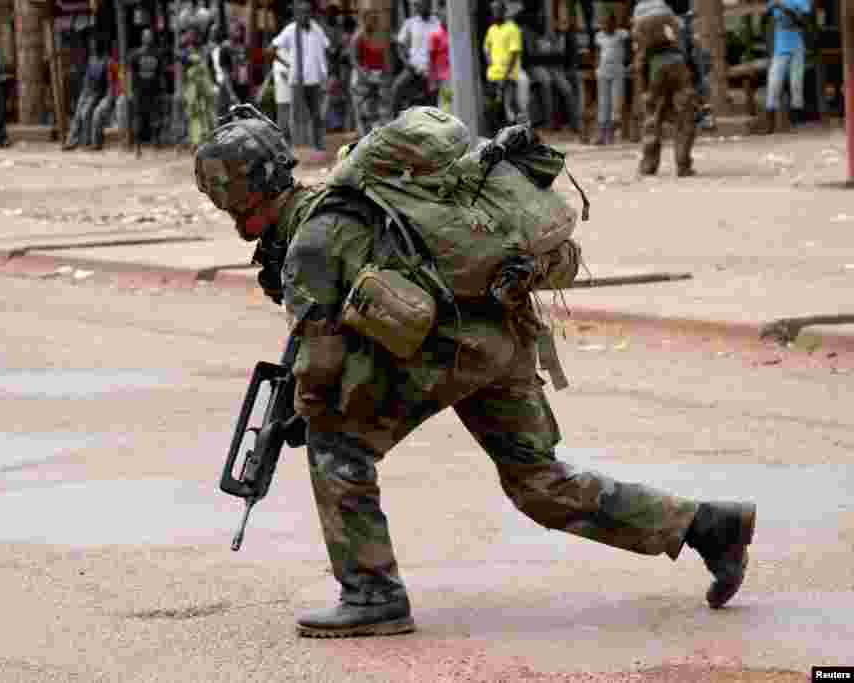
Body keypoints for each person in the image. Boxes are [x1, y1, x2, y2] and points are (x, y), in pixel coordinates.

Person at [193, 105, 757, 638]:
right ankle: (707, 526)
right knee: (538, 480)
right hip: (502, 335)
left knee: (337, 447)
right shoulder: (353, 201)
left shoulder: (311, 243)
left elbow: (320, 364)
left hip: (451, 351)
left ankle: (371, 594)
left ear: (239, 199)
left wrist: (303, 412)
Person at [631, 0, 696, 176]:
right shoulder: (669, 14)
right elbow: (688, 48)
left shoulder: (639, 14)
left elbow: (640, 59)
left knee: (652, 116)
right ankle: (683, 164)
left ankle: (648, 165)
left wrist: (643, 87)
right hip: (678, 65)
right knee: (685, 115)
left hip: (655, 69)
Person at [271, 1, 331, 153]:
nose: (305, 15)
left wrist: (325, 72)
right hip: (297, 79)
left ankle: (318, 145)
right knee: (295, 116)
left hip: (315, 79)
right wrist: (288, 64)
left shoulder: (316, 28)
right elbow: (273, 48)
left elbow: (326, 47)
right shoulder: (290, 30)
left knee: (317, 114)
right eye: (301, 12)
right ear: (296, 15)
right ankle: (292, 148)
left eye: (307, 12)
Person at [761, 0, 811, 132]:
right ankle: (769, 127)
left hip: (797, 47)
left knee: (796, 84)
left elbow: (803, 23)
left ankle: (795, 125)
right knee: (774, 84)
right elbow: (764, 20)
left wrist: (784, 7)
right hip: (779, 48)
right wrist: (768, 11)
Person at [483, 1, 530, 130]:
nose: (495, 13)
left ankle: (516, 134)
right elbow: (486, 47)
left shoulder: (512, 29)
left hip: (508, 76)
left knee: (508, 108)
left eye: (498, 10)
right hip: (493, 75)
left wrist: (506, 75)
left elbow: (514, 54)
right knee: (493, 107)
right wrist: (490, 63)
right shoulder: (492, 29)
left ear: (504, 12)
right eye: (493, 11)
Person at [391, 0, 440, 117]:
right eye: (417, 5)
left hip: (432, 69)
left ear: (429, 5)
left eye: (422, 4)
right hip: (413, 68)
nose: (419, 7)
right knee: (397, 87)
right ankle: (394, 120)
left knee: (434, 101)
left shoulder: (437, 22)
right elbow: (400, 46)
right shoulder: (410, 23)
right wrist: (406, 63)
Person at [64, 38, 110, 151]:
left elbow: (104, 81)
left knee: (86, 113)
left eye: (95, 46)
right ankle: (71, 141)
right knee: (77, 115)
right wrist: (84, 91)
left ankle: (86, 141)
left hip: (96, 92)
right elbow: (87, 76)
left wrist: (99, 94)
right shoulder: (92, 59)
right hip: (87, 90)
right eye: (92, 46)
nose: (93, 48)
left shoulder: (105, 61)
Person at [348, 9, 389, 137]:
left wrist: (383, 75)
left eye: (376, 19)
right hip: (362, 78)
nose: (374, 22)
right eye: (372, 19)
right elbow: (353, 60)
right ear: (365, 20)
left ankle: (373, 140)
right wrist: (364, 76)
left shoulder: (379, 37)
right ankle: (363, 139)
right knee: (362, 113)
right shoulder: (358, 37)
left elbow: (383, 59)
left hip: (376, 77)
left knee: (375, 111)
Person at [129, 28, 166, 157]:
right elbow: (131, 74)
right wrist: (131, 90)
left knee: (155, 117)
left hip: (154, 91)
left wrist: (162, 90)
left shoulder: (157, 54)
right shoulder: (135, 55)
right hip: (139, 91)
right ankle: (138, 147)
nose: (148, 38)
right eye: (146, 36)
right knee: (138, 118)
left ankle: (156, 143)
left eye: (150, 36)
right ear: (142, 38)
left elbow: (161, 73)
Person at [594, 11, 629, 144]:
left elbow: (628, 50)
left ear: (614, 23)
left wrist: (628, 64)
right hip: (603, 71)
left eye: (608, 23)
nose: (605, 25)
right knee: (603, 102)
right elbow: (597, 53)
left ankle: (611, 133)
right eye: (603, 23)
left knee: (616, 102)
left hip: (617, 71)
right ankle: (602, 134)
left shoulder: (621, 34)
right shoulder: (599, 36)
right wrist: (596, 68)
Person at [215, 22, 251, 115]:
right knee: (227, 117)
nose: (238, 32)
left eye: (240, 30)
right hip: (229, 88)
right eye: (235, 30)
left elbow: (247, 68)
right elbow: (225, 72)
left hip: (243, 87)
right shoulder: (225, 48)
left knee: (243, 116)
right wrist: (231, 94)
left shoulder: (244, 47)